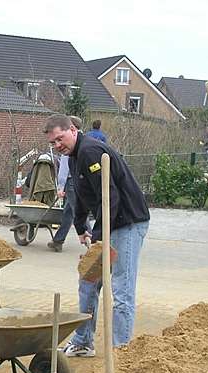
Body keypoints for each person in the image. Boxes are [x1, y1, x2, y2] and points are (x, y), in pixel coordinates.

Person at [44, 114, 150, 357]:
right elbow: (81, 193)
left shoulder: (91, 152)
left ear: (72, 130)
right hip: (109, 225)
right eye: (53, 143)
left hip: (127, 224)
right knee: (88, 282)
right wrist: (80, 226)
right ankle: (83, 342)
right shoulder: (73, 157)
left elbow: (109, 198)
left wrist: (100, 237)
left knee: (121, 290)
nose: (57, 145)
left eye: (60, 138)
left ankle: (121, 351)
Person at [48, 116, 85, 252]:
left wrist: (60, 187)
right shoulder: (81, 142)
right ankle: (58, 240)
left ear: (72, 128)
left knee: (78, 211)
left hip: (70, 182)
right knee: (68, 212)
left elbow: (64, 168)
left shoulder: (68, 145)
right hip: (77, 180)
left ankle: (96, 243)